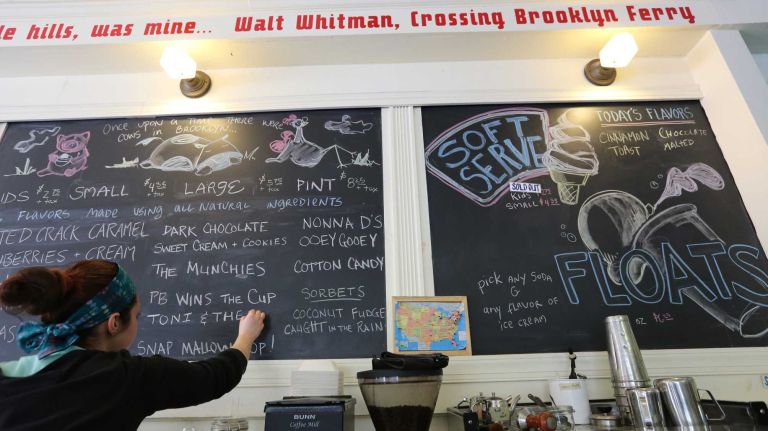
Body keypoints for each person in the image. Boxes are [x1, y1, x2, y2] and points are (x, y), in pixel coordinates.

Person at [0, 260, 267, 430]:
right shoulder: (127, 377)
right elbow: (216, 376)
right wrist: (246, 336)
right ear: (114, 322)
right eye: (136, 315)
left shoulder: (7, 376)